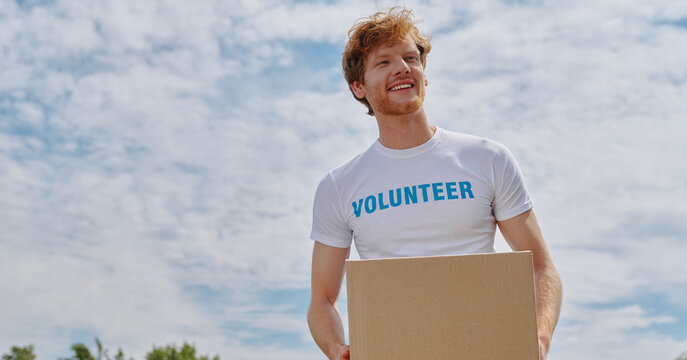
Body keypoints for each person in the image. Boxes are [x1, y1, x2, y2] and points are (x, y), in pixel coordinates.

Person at [307, 7, 562, 360]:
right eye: (384, 62)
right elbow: (322, 300)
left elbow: (541, 267)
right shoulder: (339, 186)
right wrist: (338, 350)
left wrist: (538, 339)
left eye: (410, 57)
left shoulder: (487, 159)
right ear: (358, 86)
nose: (402, 67)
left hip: (488, 349)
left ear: (424, 75)